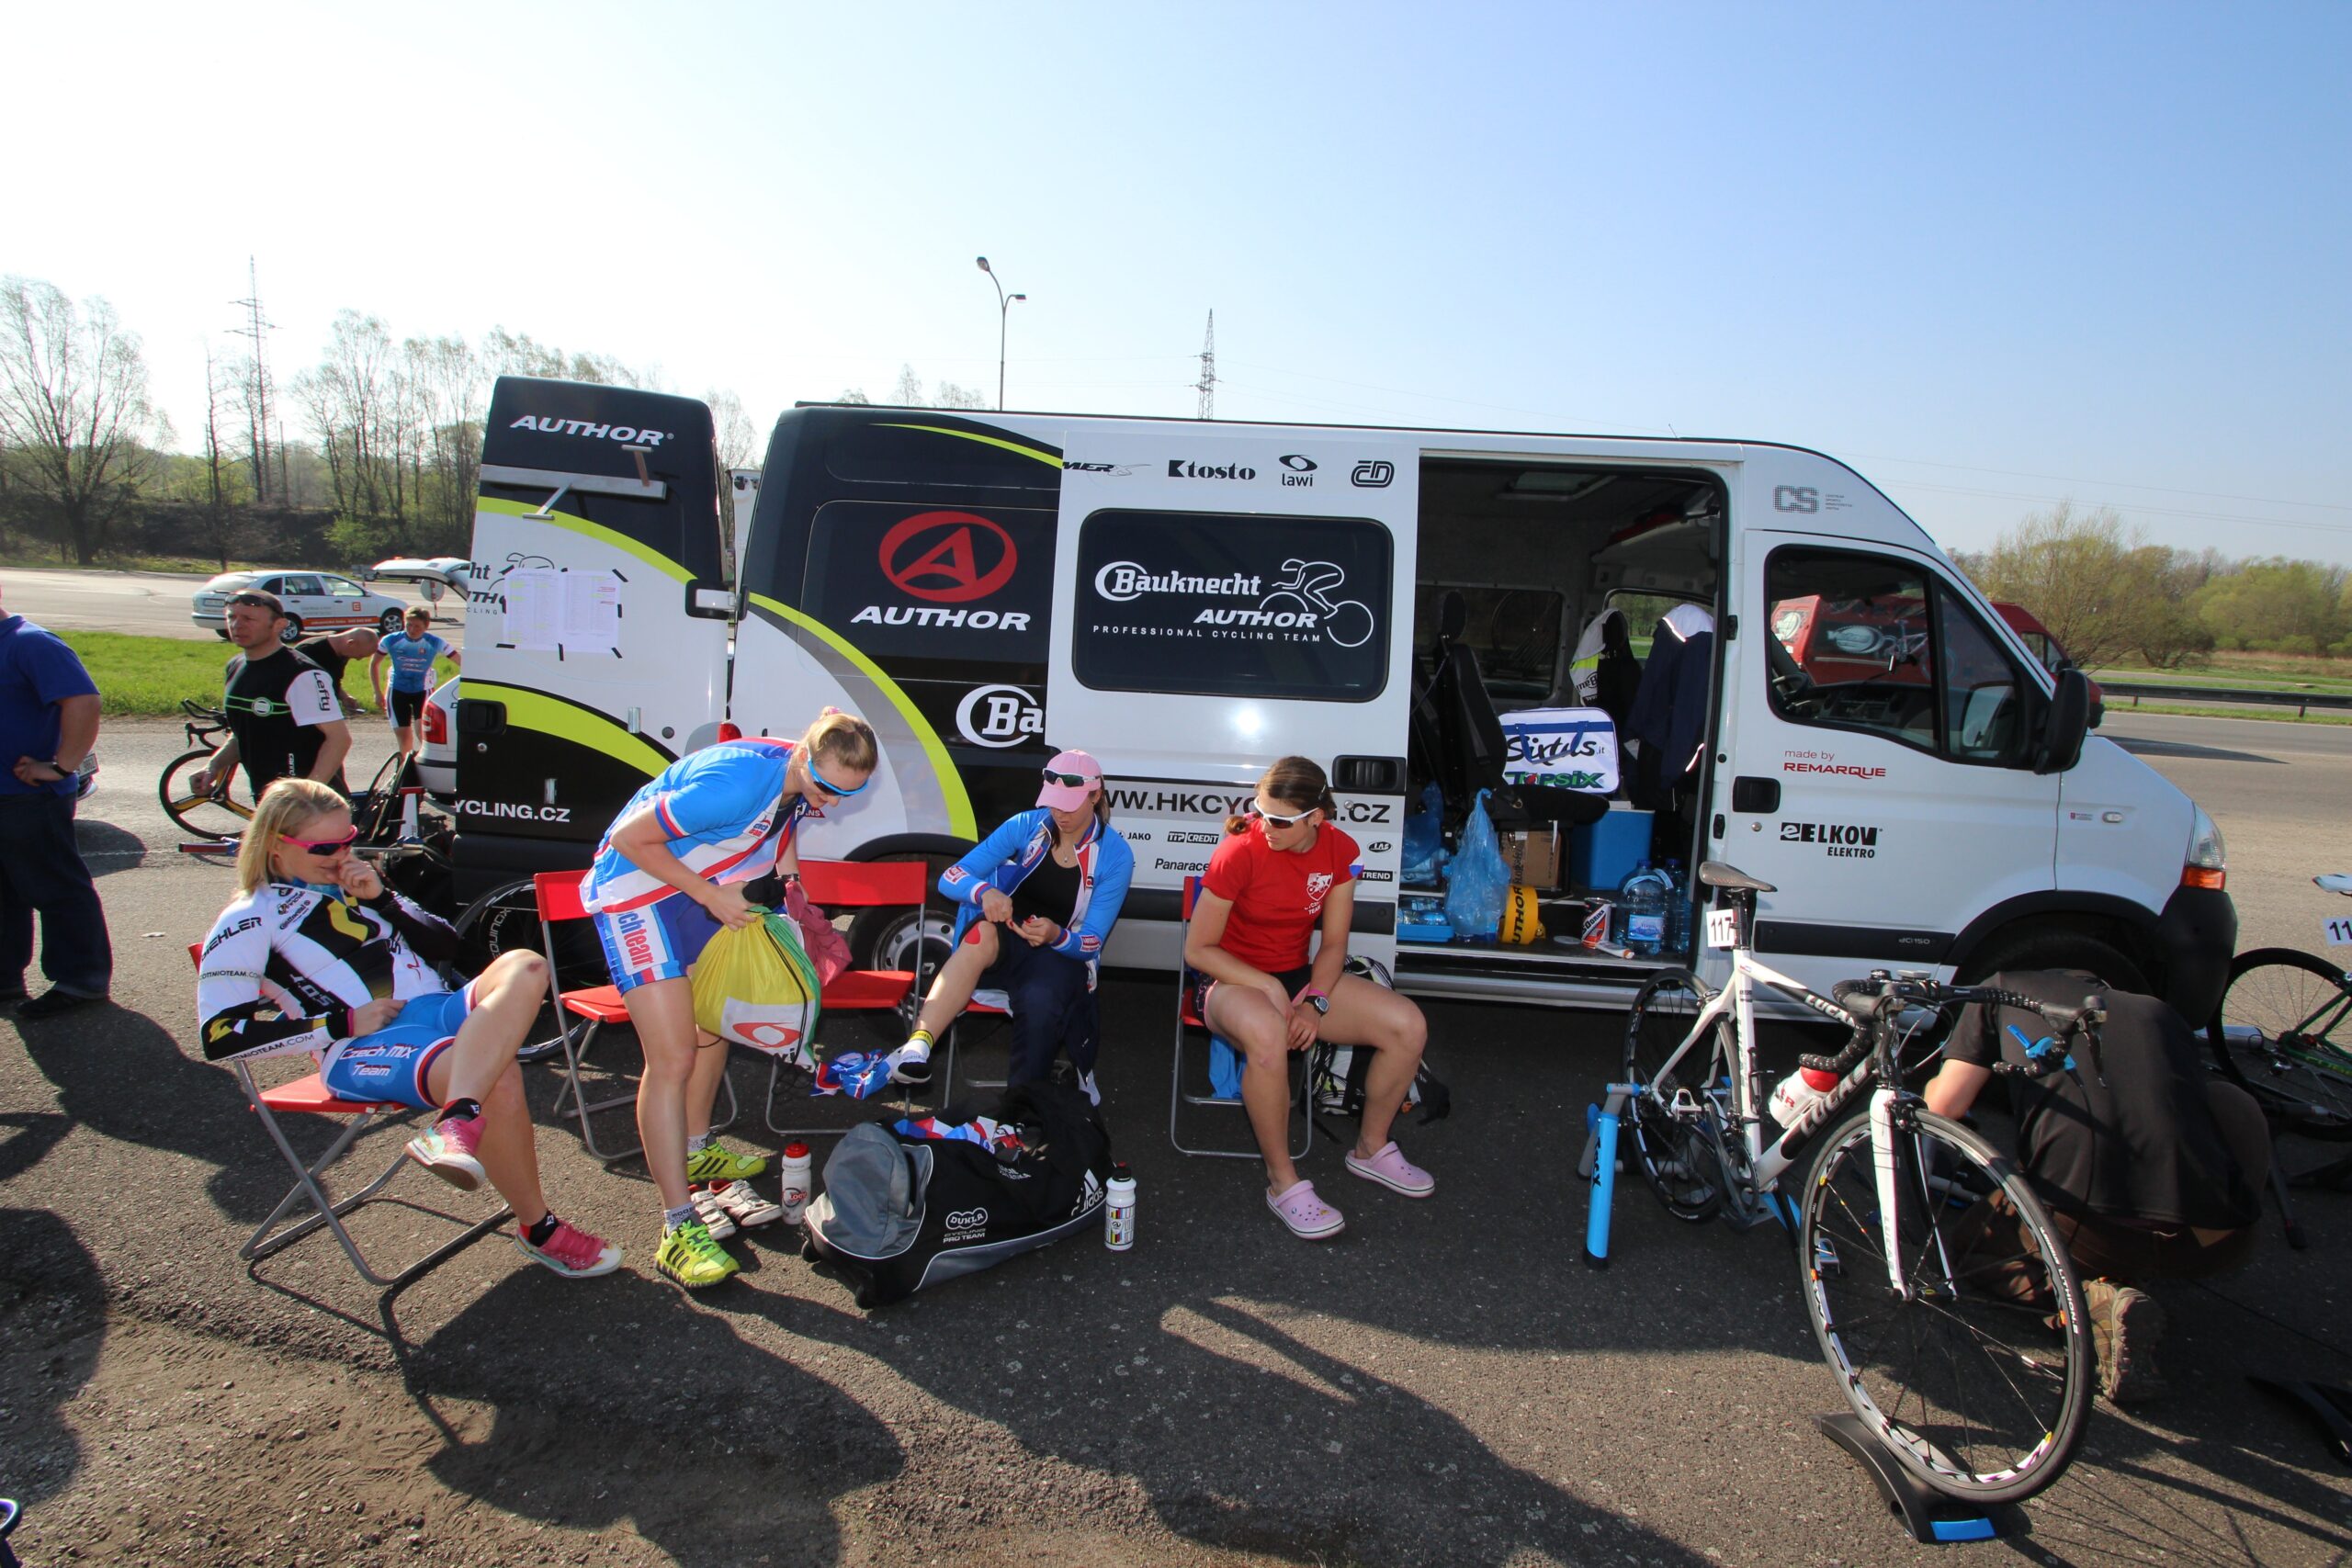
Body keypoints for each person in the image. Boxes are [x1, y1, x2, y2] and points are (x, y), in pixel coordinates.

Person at [196, 779, 618, 1278]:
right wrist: (341, 1021)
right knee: (498, 1076)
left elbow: (449, 947)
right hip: (359, 1045)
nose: (342, 856)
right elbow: (220, 1037)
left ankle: (455, 1122)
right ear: (274, 844)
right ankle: (539, 1229)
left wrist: (383, 899)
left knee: (526, 964)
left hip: (435, 1011)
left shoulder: (356, 885)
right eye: (325, 848)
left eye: (349, 840)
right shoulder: (247, 918)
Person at [582, 708, 879, 1291]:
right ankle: (676, 1225)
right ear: (805, 757)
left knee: (713, 1023)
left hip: (698, 891)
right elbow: (627, 839)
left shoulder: (802, 776)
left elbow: (784, 832)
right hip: (636, 895)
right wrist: (709, 896)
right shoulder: (737, 783)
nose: (834, 801)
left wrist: (794, 899)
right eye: (828, 788)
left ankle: (696, 1148)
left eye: (852, 792)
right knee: (671, 1059)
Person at [1926, 970, 2269, 1404]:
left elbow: (1943, 1107)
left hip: (2086, 1231)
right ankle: (2132, 1267)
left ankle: (2087, 1303)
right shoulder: (2161, 1014)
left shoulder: (2001, 988)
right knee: (2232, 1101)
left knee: (1972, 1247)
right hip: (2216, 1242)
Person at [1185, 755, 1434, 1240]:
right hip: (1227, 979)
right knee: (1267, 1032)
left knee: (1408, 1025)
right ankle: (1283, 1181)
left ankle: (1370, 1149)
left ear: (1316, 817)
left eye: (1280, 820)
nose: (1265, 826)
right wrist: (1267, 987)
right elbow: (1199, 951)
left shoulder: (1340, 850)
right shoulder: (1240, 849)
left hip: (1296, 976)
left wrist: (1315, 1001)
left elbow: (1335, 945)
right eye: (1260, 812)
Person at [891, 749, 1133, 1102]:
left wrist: (1056, 935)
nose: (1059, 813)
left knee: (1040, 999)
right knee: (980, 933)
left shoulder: (1115, 854)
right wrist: (984, 892)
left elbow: (1092, 941)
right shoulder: (1027, 825)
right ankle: (918, 1045)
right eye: (1053, 803)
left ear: (1095, 796)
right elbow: (952, 876)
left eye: (1069, 805)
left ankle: (1021, 1107)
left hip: (1061, 952)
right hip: (1006, 938)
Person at [0, 586, 111, 1017]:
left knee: (56, 886)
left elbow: (84, 701)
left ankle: (81, 980)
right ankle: (5, 978)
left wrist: (63, 767)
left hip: (28, 796)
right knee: (6, 890)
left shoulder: (30, 643)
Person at [191, 589, 352, 801]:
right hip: (268, 797)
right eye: (232, 617)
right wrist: (213, 766)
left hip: (312, 805)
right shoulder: (236, 666)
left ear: (279, 625)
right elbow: (244, 732)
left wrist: (307, 795)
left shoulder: (301, 674)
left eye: (249, 619)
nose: (237, 625)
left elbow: (339, 739)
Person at [370, 608, 458, 758]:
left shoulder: (435, 641)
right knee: (403, 736)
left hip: (423, 691)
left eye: (417, 626)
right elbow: (374, 664)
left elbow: (460, 661)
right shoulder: (390, 640)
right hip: (397, 690)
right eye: (408, 625)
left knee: (422, 733)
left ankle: (426, 764)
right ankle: (405, 766)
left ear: (426, 626)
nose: (412, 630)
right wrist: (377, 692)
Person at [296, 626, 383, 717]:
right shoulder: (308, 651)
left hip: (323, 712)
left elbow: (331, 680)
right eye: (360, 655)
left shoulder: (343, 654)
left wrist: (344, 697)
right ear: (351, 643)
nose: (358, 659)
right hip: (304, 713)